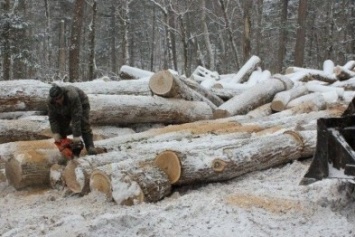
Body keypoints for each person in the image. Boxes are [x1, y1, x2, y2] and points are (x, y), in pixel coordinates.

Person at [47, 84, 97, 155]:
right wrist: (56, 133)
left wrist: (76, 136)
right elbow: (53, 118)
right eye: (56, 99)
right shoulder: (50, 102)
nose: (59, 100)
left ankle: (90, 147)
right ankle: (66, 151)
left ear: (63, 94)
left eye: (60, 97)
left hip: (81, 103)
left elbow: (76, 118)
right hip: (64, 108)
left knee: (83, 124)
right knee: (61, 127)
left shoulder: (72, 95)